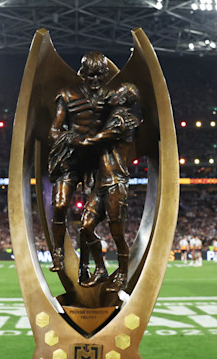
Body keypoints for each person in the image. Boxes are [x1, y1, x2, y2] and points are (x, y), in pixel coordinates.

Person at [47, 52, 113, 274]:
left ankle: (85, 265)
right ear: (82, 74)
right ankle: (58, 253)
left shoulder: (110, 98)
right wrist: (73, 139)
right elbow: (54, 131)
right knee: (59, 205)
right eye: (90, 75)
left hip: (96, 162)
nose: (95, 80)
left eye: (99, 75)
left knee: (88, 219)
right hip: (71, 159)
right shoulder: (67, 96)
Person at [74, 82, 140, 290]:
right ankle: (101, 269)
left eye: (118, 92)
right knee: (85, 226)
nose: (113, 94)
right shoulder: (112, 117)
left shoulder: (124, 120)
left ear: (123, 99)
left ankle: (123, 275)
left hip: (115, 183)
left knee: (117, 234)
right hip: (101, 183)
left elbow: (99, 138)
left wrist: (78, 140)